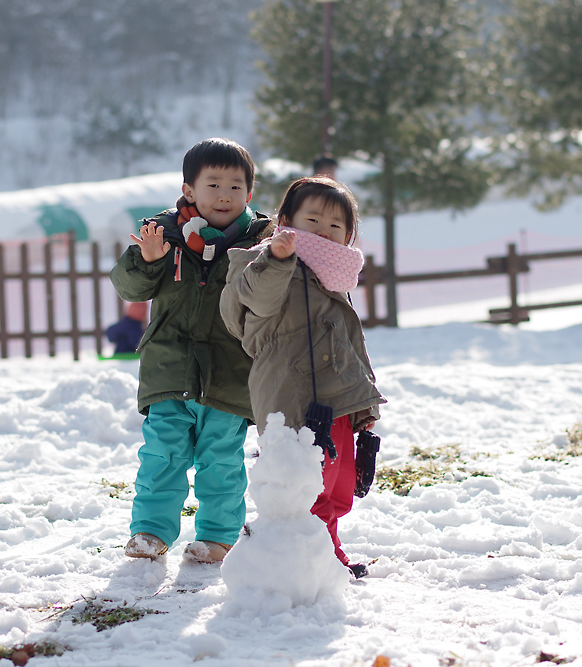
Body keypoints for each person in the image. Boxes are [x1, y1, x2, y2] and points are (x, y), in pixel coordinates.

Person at [110, 138, 274, 564]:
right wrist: (147, 260)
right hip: (169, 369)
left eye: (236, 187)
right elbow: (130, 287)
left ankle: (217, 537)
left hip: (229, 373)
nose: (224, 195)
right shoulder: (162, 235)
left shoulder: (261, 243)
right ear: (189, 191)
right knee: (162, 454)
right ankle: (150, 532)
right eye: (213, 184)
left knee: (220, 460)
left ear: (249, 194)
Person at [220, 177, 385, 579]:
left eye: (334, 226)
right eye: (312, 219)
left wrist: (364, 398)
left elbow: (349, 341)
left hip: (338, 397)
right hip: (290, 394)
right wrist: (275, 260)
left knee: (337, 485)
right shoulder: (260, 261)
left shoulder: (334, 275)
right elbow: (247, 306)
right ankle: (291, 560)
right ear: (287, 219)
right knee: (301, 485)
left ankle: (327, 553)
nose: (322, 231)